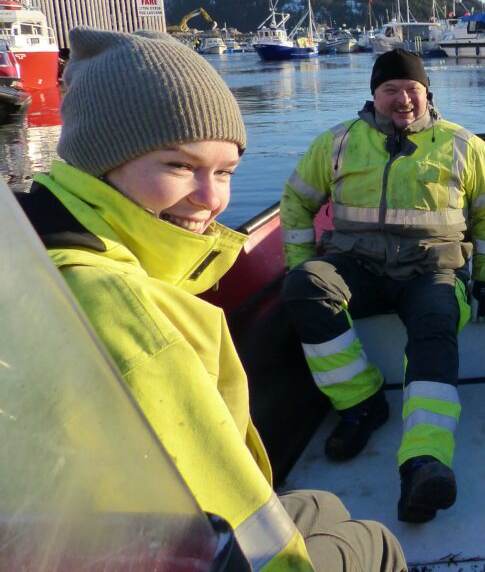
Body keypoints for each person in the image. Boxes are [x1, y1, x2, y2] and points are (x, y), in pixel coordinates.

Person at [16, 28, 406, 572]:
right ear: (99, 158)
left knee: (320, 503)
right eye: (179, 165)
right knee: (376, 544)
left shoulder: (27, 246)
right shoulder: (131, 323)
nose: (213, 198)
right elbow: (247, 550)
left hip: (80, 539)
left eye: (225, 172)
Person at [280, 48, 485, 524]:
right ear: (373, 95)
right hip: (355, 267)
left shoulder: (463, 145)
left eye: (412, 90)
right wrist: (299, 265)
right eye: (391, 90)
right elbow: (296, 203)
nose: (403, 99)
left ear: (427, 93)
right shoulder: (337, 143)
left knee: (436, 322)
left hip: (432, 271)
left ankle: (424, 463)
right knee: (304, 287)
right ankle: (362, 404)